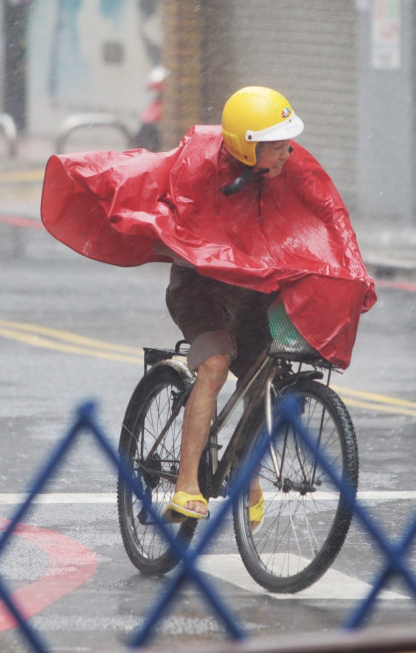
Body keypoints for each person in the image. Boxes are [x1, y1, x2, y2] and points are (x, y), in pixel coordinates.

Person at [41, 85, 376, 522]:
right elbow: (188, 229)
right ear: (247, 146)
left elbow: (332, 217)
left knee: (265, 375)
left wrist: (353, 270)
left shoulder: (293, 165)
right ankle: (186, 488)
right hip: (199, 287)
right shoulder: (198, 163)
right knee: (216, 363)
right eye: (275, 147)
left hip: (256, 289)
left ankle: (245, 474)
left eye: (286, 143)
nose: (286, 154)